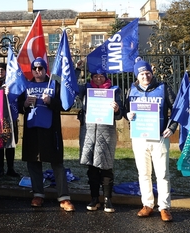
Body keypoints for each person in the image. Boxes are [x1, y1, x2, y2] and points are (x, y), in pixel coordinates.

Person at [124, 59, 178, 222]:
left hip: (159, 137)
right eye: (141, 74)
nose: (145, 76)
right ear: (137, 76)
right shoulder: (131, 90)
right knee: (143, 173)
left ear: (152, 73)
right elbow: (126, 109)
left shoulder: (163, 88)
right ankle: (147, 204)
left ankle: (164, 207)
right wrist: (127, 115)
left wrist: (172, 127)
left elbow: (177, 109)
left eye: (147, 73)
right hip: (139, 138)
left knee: (162, 174)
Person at [19, 57, 75, 212]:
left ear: (45, 70)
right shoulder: (26, 86)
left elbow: (65, 106)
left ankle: (64, 197)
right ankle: (38, 194)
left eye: (41, 68)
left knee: (57, 163)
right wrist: (24, 104)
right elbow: (18, 106)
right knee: (33, 162)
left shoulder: (54, 85)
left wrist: (51, 101)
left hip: (51, 131)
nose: (38, 71)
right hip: (32, 131)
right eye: (35, 69)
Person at [77, 71, 122, 212]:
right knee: (92, 167)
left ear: (106, 78)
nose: (98, 79)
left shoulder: (114, 91)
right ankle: (94, 198)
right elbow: (71, 87)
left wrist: (117, 109)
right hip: (88, 133)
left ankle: (108, 200)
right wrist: (77, 70)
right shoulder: (85, 89)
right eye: (95, 76)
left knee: (106, 166)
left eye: (101, 76)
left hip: (106, 133)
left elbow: (120, 115)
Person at [0, 63, 19, 178]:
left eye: (2, 70)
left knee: (10, 144)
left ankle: (10, 168)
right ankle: (0, 168)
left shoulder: (12, 82)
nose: (0, 71)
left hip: (10, 117)